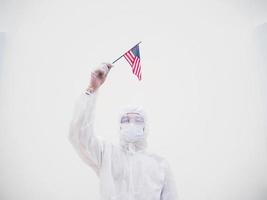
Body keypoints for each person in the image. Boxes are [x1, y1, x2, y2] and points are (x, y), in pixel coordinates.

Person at [69, 63, 178, 200]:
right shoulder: (107, 155)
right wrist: (92, 89)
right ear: (119, 126)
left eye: (137, 120)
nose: (131, 124)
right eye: (125, 120)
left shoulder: (160, 166)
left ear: (146, 126)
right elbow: (79, 136)